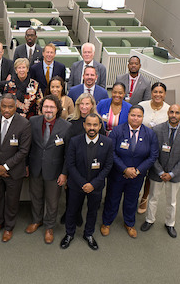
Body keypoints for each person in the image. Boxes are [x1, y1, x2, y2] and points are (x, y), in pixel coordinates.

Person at [101, 105, 159, 238]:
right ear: (128, 115)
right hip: (117, 174)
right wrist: (124, 169)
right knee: (112, 198)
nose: (135, 118)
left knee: (132, 200)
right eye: (133, 115)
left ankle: (129, 223)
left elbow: (153, 156)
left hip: (137, 176)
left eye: (139, 116)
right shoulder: (117, 131)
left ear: (143, 117)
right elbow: (111, 152)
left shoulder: (150, 134)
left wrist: (138, 171)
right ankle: (106, 222)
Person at [60, 113, 113, 251]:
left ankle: (88, 234)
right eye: (89, 124)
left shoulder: (107, 143)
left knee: (92, 211)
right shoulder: (75, 141)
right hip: (76, 185)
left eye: (95, 125)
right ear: (84, 125)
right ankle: (69, 233)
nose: (92, 128)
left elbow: (108, 166)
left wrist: (93, 184)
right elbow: (70, 164)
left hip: (96, 186)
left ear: (100, 126)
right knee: (71, 210)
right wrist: (82, 183)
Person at [141, 104, 180, 238]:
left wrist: (171, 174)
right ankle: (149, 220)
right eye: (171, 112)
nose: (173, 115)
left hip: (175, 175)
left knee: (172, 201)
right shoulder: (157, 130)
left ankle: (170, 223)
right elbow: (153, 153)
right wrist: (159, 172)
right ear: (168, 113)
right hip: (157, 172)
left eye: (177, 113)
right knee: (153, 198)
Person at [0, 94, 32, 242]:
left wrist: (5, 167)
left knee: (12, 200)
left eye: (10, 107)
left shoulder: (24, 123)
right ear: (0, 106)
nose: (6, 110)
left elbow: (24, 151)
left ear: (16, 107)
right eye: (4, 106)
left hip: (13, 171)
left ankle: (9, 227)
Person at [26, 95, 71, 244]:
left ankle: (49, 227)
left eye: (52, 107)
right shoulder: (32, 122)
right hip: (35, 167)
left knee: (52, 201)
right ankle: (36, 220)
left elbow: (68, 153)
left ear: (57, 109)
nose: (48, 110)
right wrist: (26, 165)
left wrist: (64, 173)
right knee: (36, 196)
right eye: (46, 107)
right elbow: (27, 146)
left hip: (55, 170)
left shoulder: (66, 126)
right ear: (41, 108)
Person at [60, 92, 98, 226]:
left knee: (86, 192)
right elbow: (66, 145)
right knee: (71, 192)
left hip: (90, 165)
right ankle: (70, 213)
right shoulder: (71, 121)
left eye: (87, 103)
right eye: (81, 103)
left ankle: (78, 213)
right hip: (73, 165)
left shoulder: (97, 122)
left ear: (92, 105)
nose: (84, 106)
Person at [137, 82, 169, 214]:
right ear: (151, 92)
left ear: (165, 94)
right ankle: (134, 195)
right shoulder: (142, 105)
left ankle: (145, 197)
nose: (158, 94)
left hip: (157, 148)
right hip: (139, 145)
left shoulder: (168, 109)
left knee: (151, 175)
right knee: (138, 173)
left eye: (161, 92)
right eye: (155, 91)